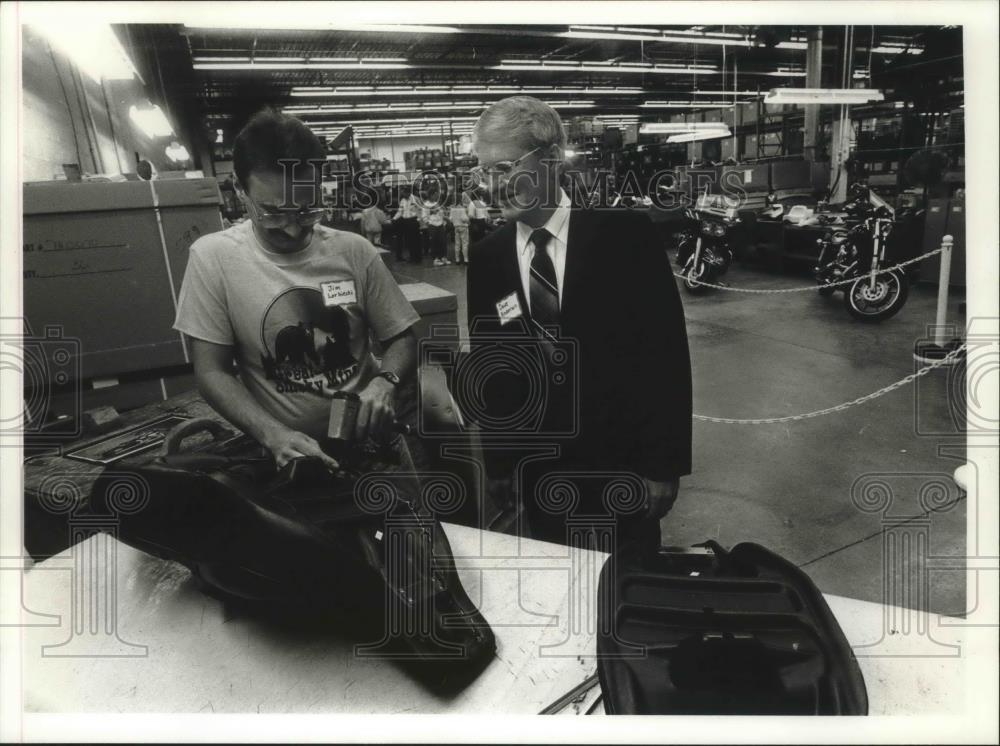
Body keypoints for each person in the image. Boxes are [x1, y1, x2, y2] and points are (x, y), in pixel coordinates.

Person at [463, 96, 692, 550]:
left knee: (627, 589)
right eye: (481, 171)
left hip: (622, 468)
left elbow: (663, 354)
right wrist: (499, 464)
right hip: (539, 475)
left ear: (550, 161)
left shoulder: (626, 239)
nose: (490, 186)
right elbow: (493, 368)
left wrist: (663, 464)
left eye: (504, 168)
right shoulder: (488, 258)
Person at [173, 109, 420, 472]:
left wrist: (386, 381)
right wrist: (272, 434)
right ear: (240, 192)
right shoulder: (214, 258)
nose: (291, 229)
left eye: (307, 210)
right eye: (273, 213)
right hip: (285, 455)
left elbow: (402, 336)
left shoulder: (354, 251)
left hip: (372, 448)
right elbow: (212, 372)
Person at [393, 185, 422, 263]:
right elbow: (400, 211)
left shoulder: (415, 199)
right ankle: (412, 257)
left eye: (404, 193)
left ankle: (417, 258)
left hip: (414, 221)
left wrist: (419, 220)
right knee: (409, 241)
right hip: (406, 222)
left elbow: (421, 210)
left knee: (416, 241)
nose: (403, 195)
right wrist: (394, 219)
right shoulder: (402, 200)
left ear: (408, 192)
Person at [449, 194, 471, 265]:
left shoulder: (452, 209)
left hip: (456, 227)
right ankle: (465, 259)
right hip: (463, 227)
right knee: (465, 243)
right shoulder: (461, 208)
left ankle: (457, 259)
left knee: (457, 244)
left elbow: (451, 219)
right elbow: (464, 218)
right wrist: (468, 219)